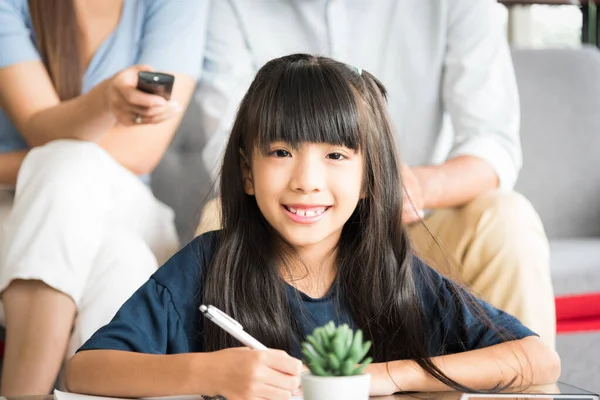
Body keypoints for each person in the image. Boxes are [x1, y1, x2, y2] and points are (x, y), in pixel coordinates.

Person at [65, 55, 560, 400]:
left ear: (369, 180)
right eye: (281, 153)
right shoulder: (209, 263)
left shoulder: (393, 274)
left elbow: (538, 361)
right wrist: (210, 371)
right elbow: (84, 371)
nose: (306, 181)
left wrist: (382, 377)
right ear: (246, 172)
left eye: (335, 156)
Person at [194, 0, 556, 348]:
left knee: (508, 217)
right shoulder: (229, 5)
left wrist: (407, 187)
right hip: (290, 233)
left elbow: (492, 143)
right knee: (220, 217)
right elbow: (229, 150)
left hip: (416, 224)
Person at [0, 0, 209, 395]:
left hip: (125, 201)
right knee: (122, 260)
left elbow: (139, 151)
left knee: (65, 165)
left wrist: (69, 142)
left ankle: (20, 392)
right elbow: (37, 128)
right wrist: (103, 104)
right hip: (19, 206)